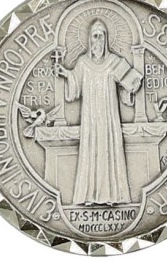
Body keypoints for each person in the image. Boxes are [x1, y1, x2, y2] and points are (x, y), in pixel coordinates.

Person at [56, 19, 143, 205]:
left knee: (110, 151)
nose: (98, 41)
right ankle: (89, 196)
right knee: (90, 151)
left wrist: (132, 86)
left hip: (109, 117)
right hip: (90, 118)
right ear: (89, 40)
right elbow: (74, 88)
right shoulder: (83, 63)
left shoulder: (113, 62)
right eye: (95, 36)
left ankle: (113, 196)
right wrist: (67, 75)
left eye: (101, 36)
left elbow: (131, 82)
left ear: (106, 39)